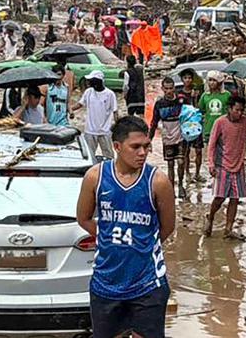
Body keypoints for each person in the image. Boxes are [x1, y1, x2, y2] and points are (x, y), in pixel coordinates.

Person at [76, 116, 175, 338]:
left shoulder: (157, 182)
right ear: (118, 147)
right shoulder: (96, 177)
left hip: (148, 284)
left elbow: (167, 228)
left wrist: (141, 241)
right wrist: (108, 236)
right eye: (136, 147)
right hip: (106, 282)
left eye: (146, 146)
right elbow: (83, 218)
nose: (143, 153)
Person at [205, 97, 246, 240]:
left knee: (234, 199)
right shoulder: (220, 122)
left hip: (238, 166)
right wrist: (211, 164)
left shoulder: (245, 122)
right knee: (219, 198)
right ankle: (210, 216)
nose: (239, 113)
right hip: (222, 166)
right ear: (229, 109)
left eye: (241, 110)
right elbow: (211, 145)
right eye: (237, 110)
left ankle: (228, 228)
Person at [151, 77, 187, 200]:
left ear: (174, 88)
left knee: (181, 161)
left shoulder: (182, 101)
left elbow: (191, 115)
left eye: (171, 88)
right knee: (170, 163)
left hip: (181, 135)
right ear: (162, 89)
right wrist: (148, 140)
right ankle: (171, 189)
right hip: (167, 136)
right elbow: (154, 122)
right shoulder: (159, 104)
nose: (168, 91)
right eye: (166, 89)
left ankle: (181, 185)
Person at [81, 70, 119, 160]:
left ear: (98, 81)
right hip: (90, 130)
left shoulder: (110, 94)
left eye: (91, 80)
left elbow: (115, 112)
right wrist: (69, 110)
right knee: (89, 156)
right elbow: (80, 104)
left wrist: (118, 128)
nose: (89, 82)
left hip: (105, 131)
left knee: (109, 156)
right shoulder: (88, 92)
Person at [199, 71, 231, 153]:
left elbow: (231, 110)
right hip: (209, 129)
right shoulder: (205, 96)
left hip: (224, 129)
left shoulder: (227, 95)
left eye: (214, 80)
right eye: (210, 80)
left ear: (219, 82)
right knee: (211, 153)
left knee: (224, 153)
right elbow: (201, 110)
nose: (212, 83)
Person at [180, 93, 205, 182]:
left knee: (198, 151)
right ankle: (187, 173)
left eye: (189, 77)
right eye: (185, 77)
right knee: (186, 152)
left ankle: (197, 173)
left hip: (196, 128)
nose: (188, 79)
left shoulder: (199, 92)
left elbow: (201, 110)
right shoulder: (180, 94)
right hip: (185, 129)